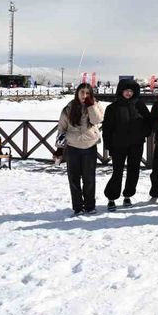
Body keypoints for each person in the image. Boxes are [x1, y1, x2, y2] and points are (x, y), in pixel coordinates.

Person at [102, 78, 150, 211]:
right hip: (118, 145)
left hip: (136, 144)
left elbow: (149, 122)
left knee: (133, 171)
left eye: (131, 91)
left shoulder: (140, 105)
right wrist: (108, 146)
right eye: (126, 90)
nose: (129, 93)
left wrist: (143, 133)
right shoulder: (112, 108)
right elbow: (107, 129)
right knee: (117, 172)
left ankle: (128, 195)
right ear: (121, 91)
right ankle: (111, 197)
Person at [57, 83, 104, 216]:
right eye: (82, 92)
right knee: (73, 178)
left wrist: (91, 105)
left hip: (90, 146)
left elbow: (97, 120)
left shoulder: (95, 105)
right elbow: (61, 128)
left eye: (87, 93)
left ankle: (90, 206)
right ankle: (78, 207)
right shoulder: (69, 108)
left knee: (89, 178)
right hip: (73, 147)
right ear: (77, 93)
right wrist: (59, 149)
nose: (84, 95)